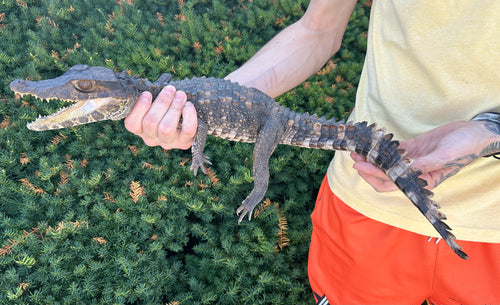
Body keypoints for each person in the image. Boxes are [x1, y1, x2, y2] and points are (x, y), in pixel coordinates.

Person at [124, 0, 500, 303]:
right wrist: (194, 110)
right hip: (363, 199)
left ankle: (259, 189)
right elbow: (317, 28)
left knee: (261, 158)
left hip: (492, 228)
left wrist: (488, 132)